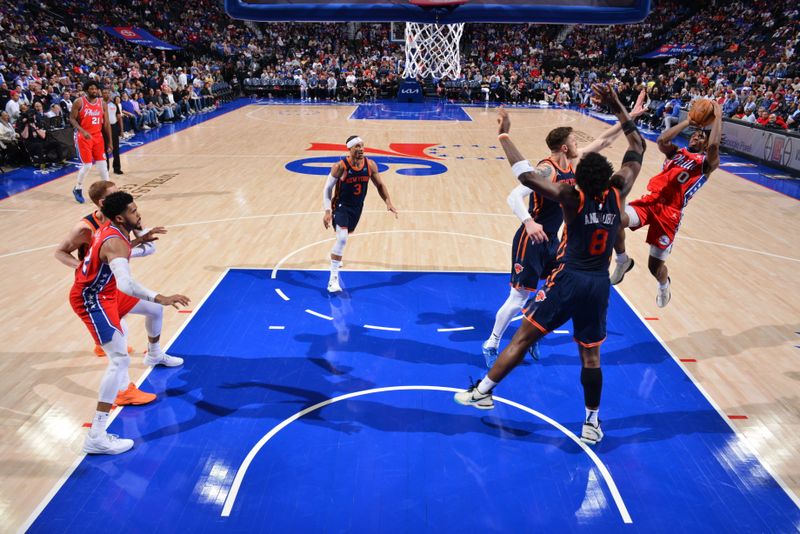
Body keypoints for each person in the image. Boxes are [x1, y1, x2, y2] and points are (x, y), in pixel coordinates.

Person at [455, 84, 645, 445]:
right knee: (591, 358)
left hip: (568, 279)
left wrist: (505, 135)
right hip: (599, 285)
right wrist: (621, 108)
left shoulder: (573, 197)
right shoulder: (619, 190)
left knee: (524, 336)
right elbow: (637, 149)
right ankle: (592, 422)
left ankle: (483, 391)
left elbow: (525, 177)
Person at [481, 91, 645, 368]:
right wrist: (529, 222)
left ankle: (533, 334)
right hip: (531, 240)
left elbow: (605, 140)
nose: (577, 142)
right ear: (565, 147)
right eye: (573, 139)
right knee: (519, 296)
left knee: (554, 288)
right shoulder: (548, 170)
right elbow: (513, 196)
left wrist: (630, 117)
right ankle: (492, 342)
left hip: (553, 240)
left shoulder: (572, 160)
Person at [70, 191, 189, 454]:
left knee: (154, 310)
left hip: (107, 291)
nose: (139, 213)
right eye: (134, 211)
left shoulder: (113, 229)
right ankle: (96, 436)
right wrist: (162, 295)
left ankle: (154, 354)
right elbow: (126, 282)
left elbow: (113, 254)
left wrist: (140, 240)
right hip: (93, 299)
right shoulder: (116, 241)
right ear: (121, 217)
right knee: (119, 361)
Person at [610, 100, 722, 307]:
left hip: (670, 213)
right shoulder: (676, 153)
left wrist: (718, 117)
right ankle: (622, 259)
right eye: (695, 134)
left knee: (655, 266)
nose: (697, 136)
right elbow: (662, 140)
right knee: (614, 219)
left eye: (701, 137)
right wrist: (688, 121)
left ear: (705, 145)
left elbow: (714, 146)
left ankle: (663, 284)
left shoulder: (706, 164)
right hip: (651, 201)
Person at [322, 135, 398, 293]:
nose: (361, 149)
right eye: (357, 146)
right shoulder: (340, 166)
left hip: (357, 207)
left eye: (362, 145)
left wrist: (388, 202)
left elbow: (380, 185)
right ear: (349, 149)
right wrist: (327, 211)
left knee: (343, 236)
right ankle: (332, 280)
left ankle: (336, 254)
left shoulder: (370, 165)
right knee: (342, 238)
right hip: (341, 206)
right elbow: (327, 189)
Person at [70, 80, 112, 203]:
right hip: (84, 137)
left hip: (98, 137)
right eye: (91, 88)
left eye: (95, 89)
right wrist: (82, 131)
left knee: (103, 166)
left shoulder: (102, 103)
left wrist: (110, 142)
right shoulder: (79, 102)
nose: (94, 91)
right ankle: (77, 188)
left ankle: (109, 192)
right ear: (87, 89)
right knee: (87, 165)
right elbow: (72, 119)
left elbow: (107, 123)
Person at [103, 89, 123, 174]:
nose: (106, 94)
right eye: (104, 92)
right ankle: (105, 169)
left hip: (113, 127)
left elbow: (119, 118)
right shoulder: (99, 104)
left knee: (116, 148)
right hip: (103, 128)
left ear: (110, 94)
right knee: (104, 149)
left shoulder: (114, 104)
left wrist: (121, 130)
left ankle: (117, 168)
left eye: (107, 92)